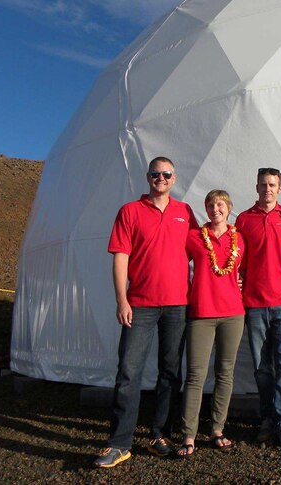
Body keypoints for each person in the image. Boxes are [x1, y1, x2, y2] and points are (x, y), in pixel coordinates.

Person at [94, 156, 198, 468]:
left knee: (170, 373)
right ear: (148, 177)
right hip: (139, 304)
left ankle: (159, 435)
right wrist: (121, 299)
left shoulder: (184, 212)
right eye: (156, 174)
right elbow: (120, 257)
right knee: (129, 372)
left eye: (166, 174)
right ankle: (119, 442)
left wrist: (234, 271)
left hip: (177, 304)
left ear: (174, 178)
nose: (161, 178)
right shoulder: (130, 211)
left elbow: (204, 251)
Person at [235, 167, 281, 447]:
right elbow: (235, 258)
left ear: (280, 188)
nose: (268, 189)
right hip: (255, 303)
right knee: (263, 368)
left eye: (272, 184)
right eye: (263, 184)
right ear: (257, 186)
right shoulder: (244, 219)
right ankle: (267, 417)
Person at [176, 190, 245, 457]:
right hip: (201, 313)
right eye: (210, 204)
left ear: (228, 207)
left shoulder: (239, 239)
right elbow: (177, 264)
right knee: (195, 376)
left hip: (232, 314)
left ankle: (217, 429)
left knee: (225, 373)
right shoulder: (194, 236)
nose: (215, 208)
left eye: (220, 204)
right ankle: (189, 435)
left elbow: (244, 271)